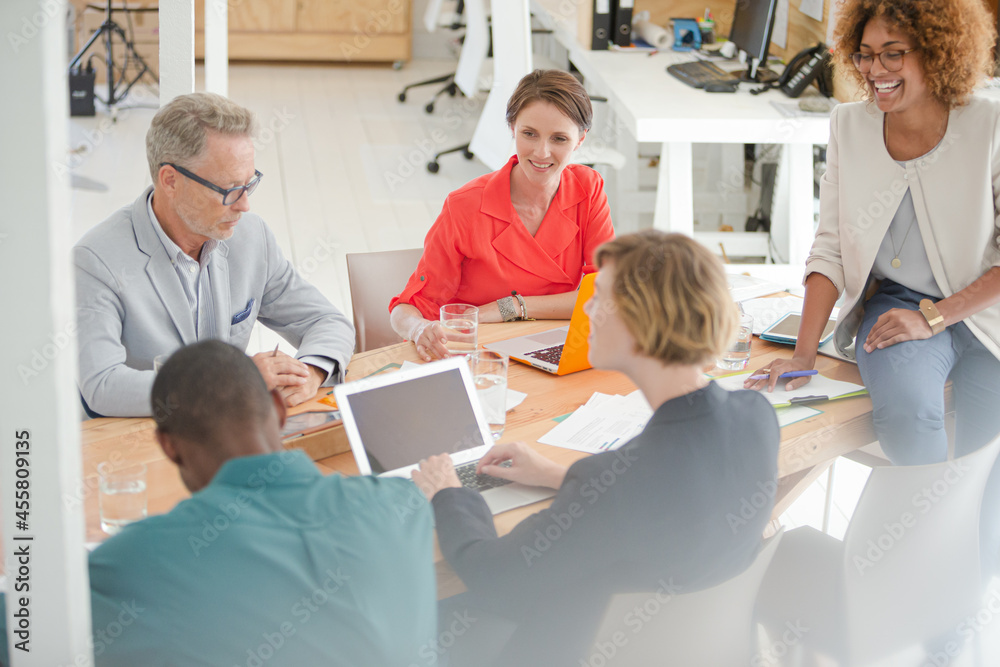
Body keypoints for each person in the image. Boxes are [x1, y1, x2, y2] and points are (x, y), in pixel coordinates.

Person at [413, 231, 780, 664]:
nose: (585, 309)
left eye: (599, 298)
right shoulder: (757, 417)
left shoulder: (615, 488)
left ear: (641, 322)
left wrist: (448, 494)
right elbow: (667, 493)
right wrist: (559, 475)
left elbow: (491, 575)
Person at [0, 340, 436, 666]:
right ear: (279, 411)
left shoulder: (139, 562)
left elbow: (24, 633)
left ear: (168, 446)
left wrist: (23, 560)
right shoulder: (402, 505)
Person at [744, 0, 1000, 466]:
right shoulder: (849, 125)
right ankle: (919, 511)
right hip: (897, 305)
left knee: (985, 462)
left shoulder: (990, 123)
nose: (875, 69)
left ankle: (961, 515)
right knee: (908, 415)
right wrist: (803, 354)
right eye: (864, 54)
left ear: (938, 51)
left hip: (987, 309)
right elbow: (831, 248)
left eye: (893, 53)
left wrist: (934, 317)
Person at [75, 92, 355, 418]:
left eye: (248, 184)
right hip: (143, 439)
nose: (244, 205)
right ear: (170, 181)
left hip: (229, 431)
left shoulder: (252, 238)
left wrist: (310, 374)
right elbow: (103, 386)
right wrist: (231, 381)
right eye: (229, 190)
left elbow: (327, 321)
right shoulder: (95, 262)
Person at [389, 69, 615, 361]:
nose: (542, 152)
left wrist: (511, 307)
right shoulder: (465, 206)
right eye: (529, 134)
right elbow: (406, 309)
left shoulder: (588, 188)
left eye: (559, 139)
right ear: (512, 127)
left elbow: (605, 294)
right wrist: (420, 329)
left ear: (581, 139)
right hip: (476, 351)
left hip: (553, 346)